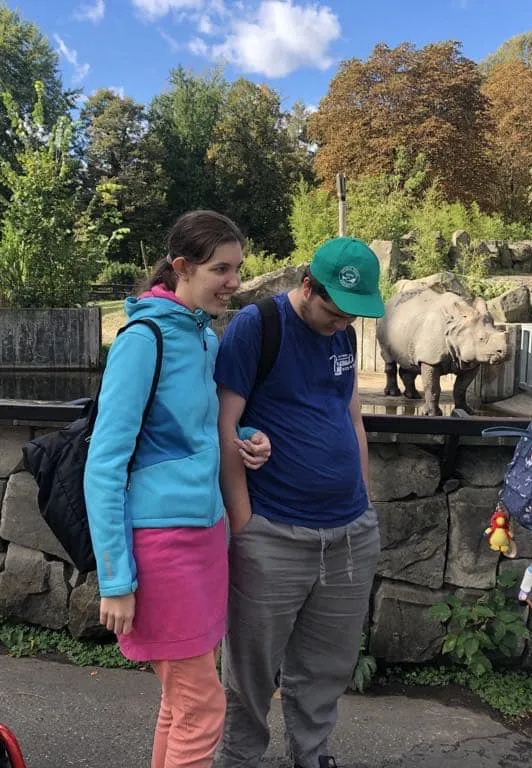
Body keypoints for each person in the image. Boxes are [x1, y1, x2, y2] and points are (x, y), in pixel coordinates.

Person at [84, 210, 270, 768]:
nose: (235, 282)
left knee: (182, 700)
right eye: (222, 269)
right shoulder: (143, 340)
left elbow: (192, 429)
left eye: (238, 268)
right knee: (202, 705)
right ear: (183, 267)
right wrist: (116, 578)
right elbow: (104, 463)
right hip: (161, 547)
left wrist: (243, 437)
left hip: (204, 537)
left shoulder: (201, 336)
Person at [215, 236, 385, 768]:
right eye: (334, 311)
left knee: (327, 666)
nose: (342, 324)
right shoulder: (258, 326)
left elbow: (352, 418)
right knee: (250, 670)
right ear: (307, 286)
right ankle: (239, 759)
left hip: (348, 532)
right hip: (274, 532)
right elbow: (224, 426)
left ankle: (312, 756)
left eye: (352, 316)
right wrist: (243, 524)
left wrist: (365, 502)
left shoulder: (343, 336)